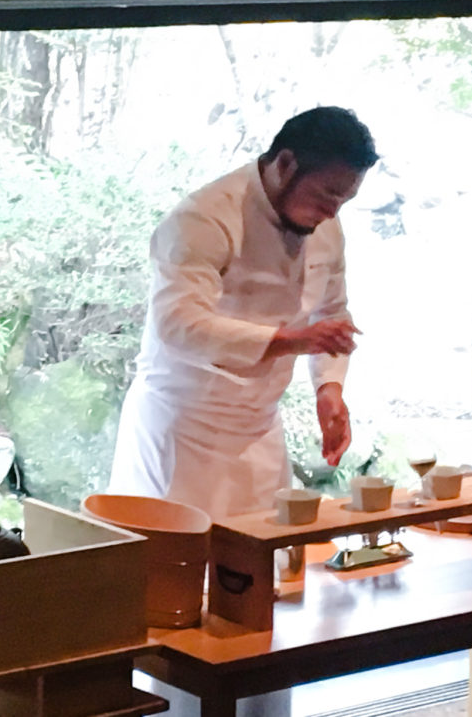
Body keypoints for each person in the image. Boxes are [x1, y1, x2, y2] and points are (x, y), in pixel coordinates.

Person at [109, 106, 378, 519]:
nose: (332, 213)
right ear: (285, 164)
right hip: (183, 423)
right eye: (327, 195)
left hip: (260, 424)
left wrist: (329, 390)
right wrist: (293, 341)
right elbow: (178, 324)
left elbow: (332, 313)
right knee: (176, 553)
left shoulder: (327, 227)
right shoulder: (204, 217)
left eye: (344, 200)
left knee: (265, 546)